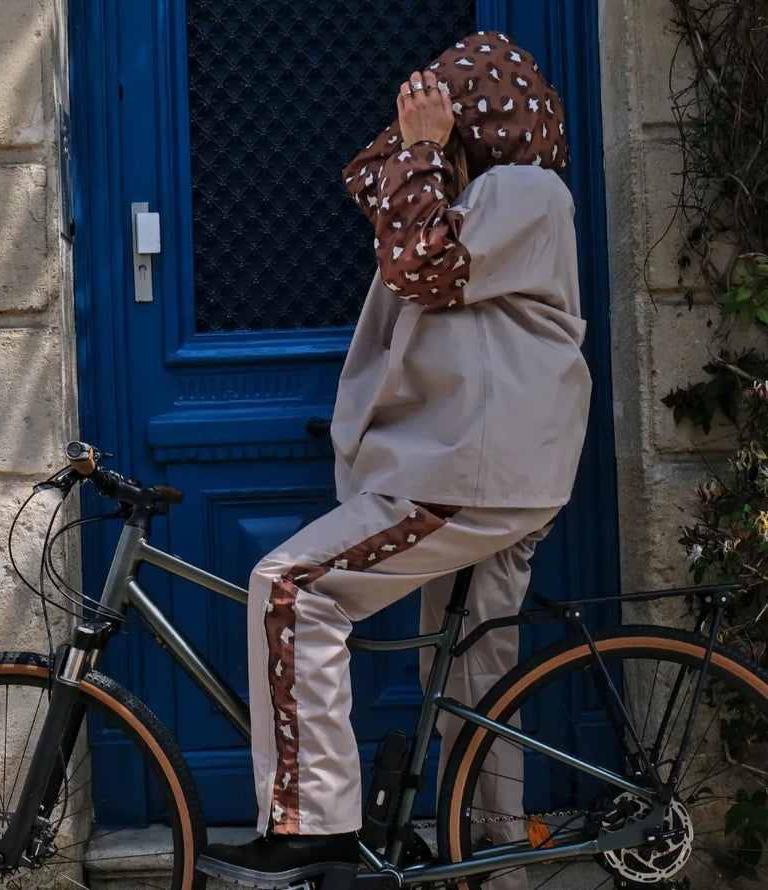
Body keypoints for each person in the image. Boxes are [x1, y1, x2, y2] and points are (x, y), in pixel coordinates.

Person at [197, 29, 591, 890]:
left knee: (294, 588)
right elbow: (390, 214)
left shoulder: (522, 191)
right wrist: (417, 155)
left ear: (481, 121)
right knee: (471, 668)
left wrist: (422, 146)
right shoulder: (486, 197)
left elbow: (421, 266)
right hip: (487, 465)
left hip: (472, 470)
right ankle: (489, 862)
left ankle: (314, 828)